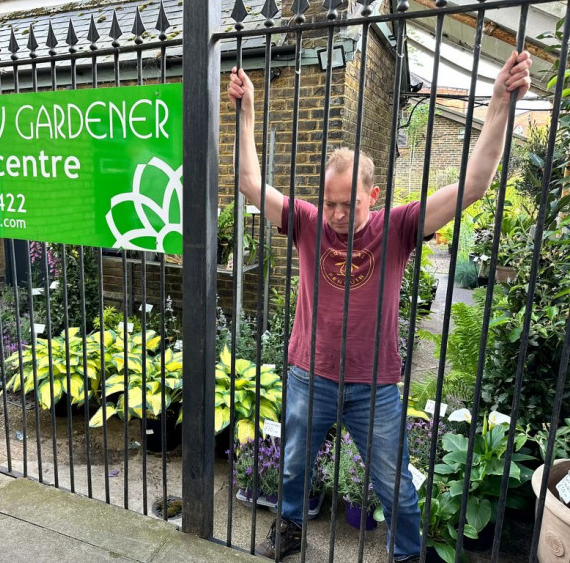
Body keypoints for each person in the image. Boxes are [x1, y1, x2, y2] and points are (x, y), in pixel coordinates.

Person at [227, 50, 532, 561]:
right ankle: (291, 527)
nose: (341, 213)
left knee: (396, 488)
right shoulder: (306, 222)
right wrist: (248, 112)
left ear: (374, 194)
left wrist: (500, 102)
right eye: (332, 202)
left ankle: (407, 553)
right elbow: (250, 183)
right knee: (295, 468)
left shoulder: (398, 227)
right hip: (310, 374)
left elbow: (475, 184)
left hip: (375, 386)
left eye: (352, 202)